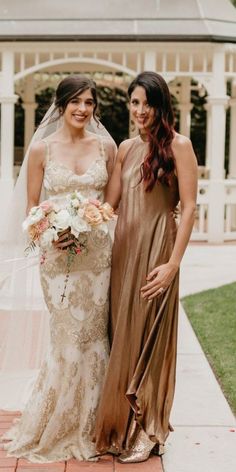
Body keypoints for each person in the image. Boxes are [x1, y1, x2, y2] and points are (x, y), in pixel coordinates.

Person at [1, 74, 116, 462]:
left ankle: (94, 423)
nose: (83, 109)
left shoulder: (106, 147)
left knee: (94, 338)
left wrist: (97, 218)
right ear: (62, 105)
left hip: (98, 257)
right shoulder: (41, 150)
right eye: (76, 102)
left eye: (89, 103)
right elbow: (32, 213)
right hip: (57, 258)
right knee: (66, 338)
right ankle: (57, 422)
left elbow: (111, 201)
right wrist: (53, 234)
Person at [95, 71, 198, 463]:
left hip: (158, 252)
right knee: (123, 336)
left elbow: (188, 207)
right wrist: (69, 219)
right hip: (124, 253)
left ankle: (150, 431)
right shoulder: (124, 148)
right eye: (134, 103)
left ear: (161, 105)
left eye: (147, 103)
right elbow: (110, 206)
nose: (140, 111)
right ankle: (124, 425)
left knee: (150, 339)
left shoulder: (179, 146)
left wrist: (173, 264)